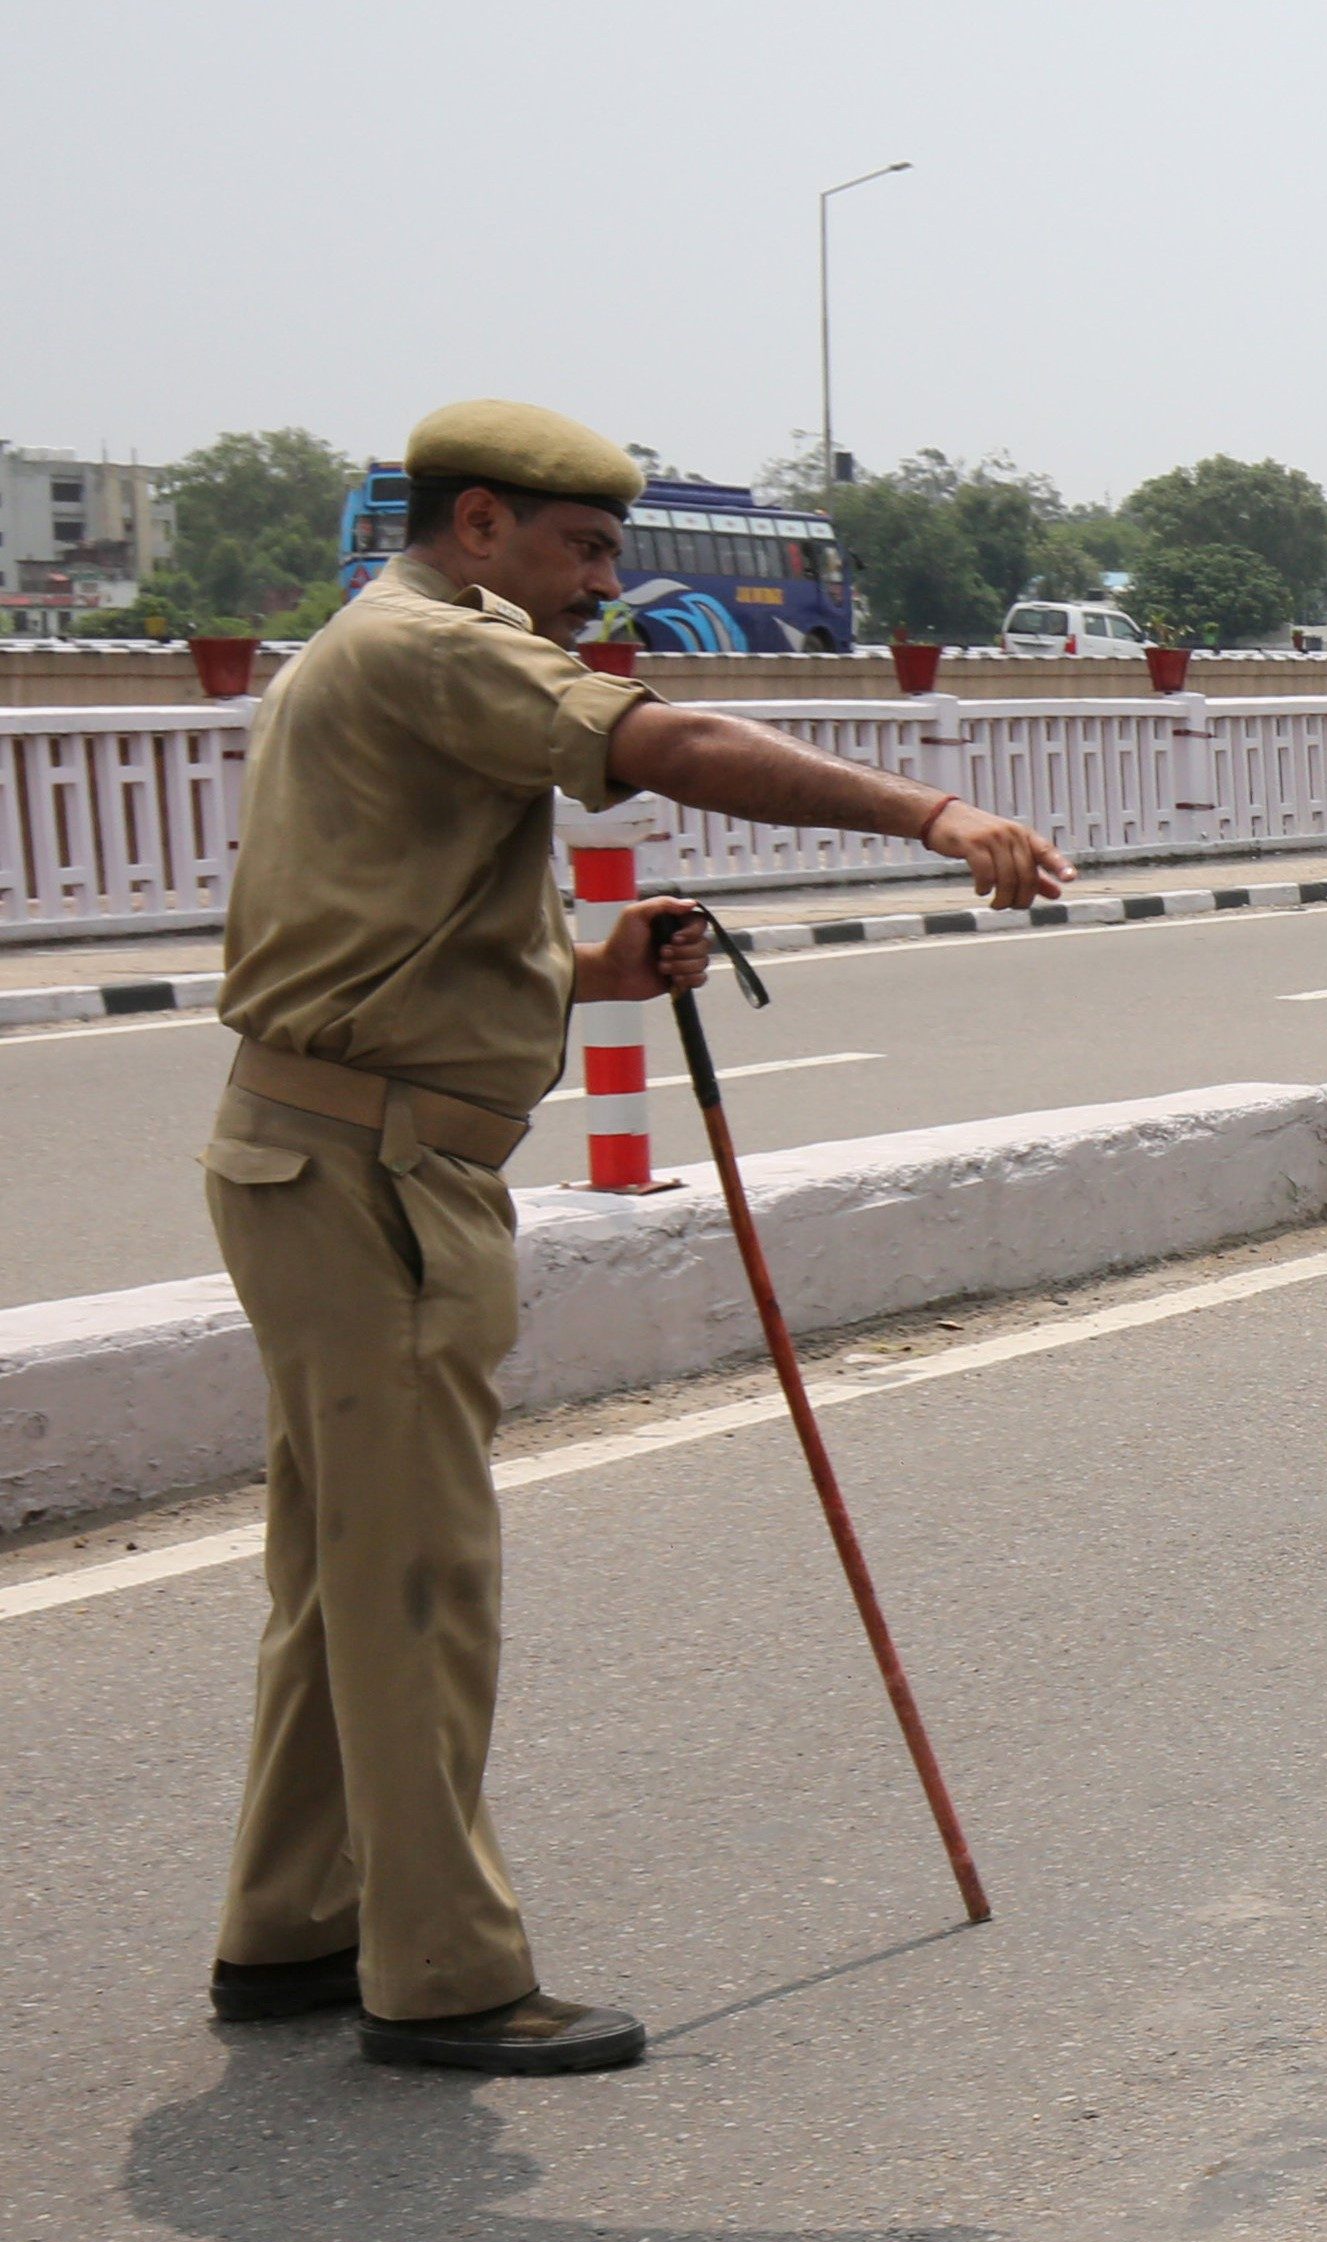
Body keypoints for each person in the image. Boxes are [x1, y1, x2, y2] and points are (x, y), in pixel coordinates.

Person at [202, 400, 1068, 2076]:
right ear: (476, 527)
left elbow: (396, 931)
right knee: (415, 1585)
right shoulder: (430, 646)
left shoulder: (380, 661)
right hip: (367, 1177)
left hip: (327, 1150)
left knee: (337, 1579)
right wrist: (935, 818)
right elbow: (667, 744)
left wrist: (598, 965)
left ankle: (292, 1925)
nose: (604, 587)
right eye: (582, 550)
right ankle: (439, 1975)